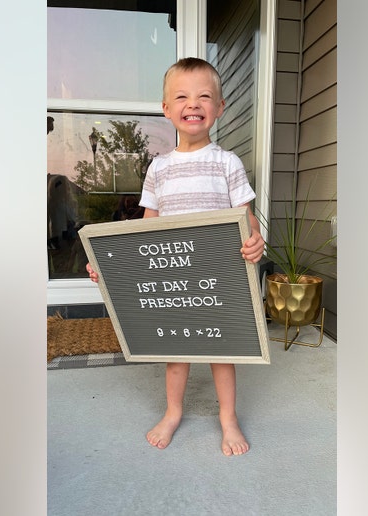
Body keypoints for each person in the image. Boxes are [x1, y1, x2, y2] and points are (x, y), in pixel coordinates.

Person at [86, 57, 264, 456]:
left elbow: (248, 221)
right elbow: (145, 232)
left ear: (219, 108)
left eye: (204, 96)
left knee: (223, 353)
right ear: (167, 110)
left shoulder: (227, 163)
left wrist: (256, 240)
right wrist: (111, 264)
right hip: (174, 282)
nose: (193, 103)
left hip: (218, 280)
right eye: (182, 96)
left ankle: (228, 418)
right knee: (176, 354)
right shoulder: (159, 169)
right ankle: (172, 412)